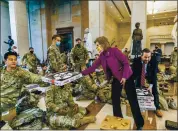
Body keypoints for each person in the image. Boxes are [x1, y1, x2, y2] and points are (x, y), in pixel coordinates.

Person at [81, 36, 144, 130]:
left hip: (127, 76)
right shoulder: (101, 56)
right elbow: (93, 68)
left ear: (103, 44)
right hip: (116, 78)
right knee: (115, 99)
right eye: (96, 46)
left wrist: (124, 77)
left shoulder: (115, 51)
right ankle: (118, 119)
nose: (97, 48)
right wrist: (80, 73)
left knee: (132, 100)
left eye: (98, 45)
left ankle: (139, 124)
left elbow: (126, 63)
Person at [0, 51, 48, 119]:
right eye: (11, 59)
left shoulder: (21, 72)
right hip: (2, 99)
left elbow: (34, 77)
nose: (14, 61)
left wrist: (48, 79)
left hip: (13, 101)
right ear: (5, 61)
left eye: (15, 59)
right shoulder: (1, 71)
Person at [132, 48, 163, 117]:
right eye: (145, 57)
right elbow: (134, 74)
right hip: (140, 75)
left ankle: (157, 108)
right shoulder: (136, 61)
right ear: (141, 56)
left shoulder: (154, 61)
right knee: (138, 89)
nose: (147, 59)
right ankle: (139, 105)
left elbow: (154, 75)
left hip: (150, 75)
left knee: (155, 90)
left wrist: (151, 86)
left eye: (149, 57)